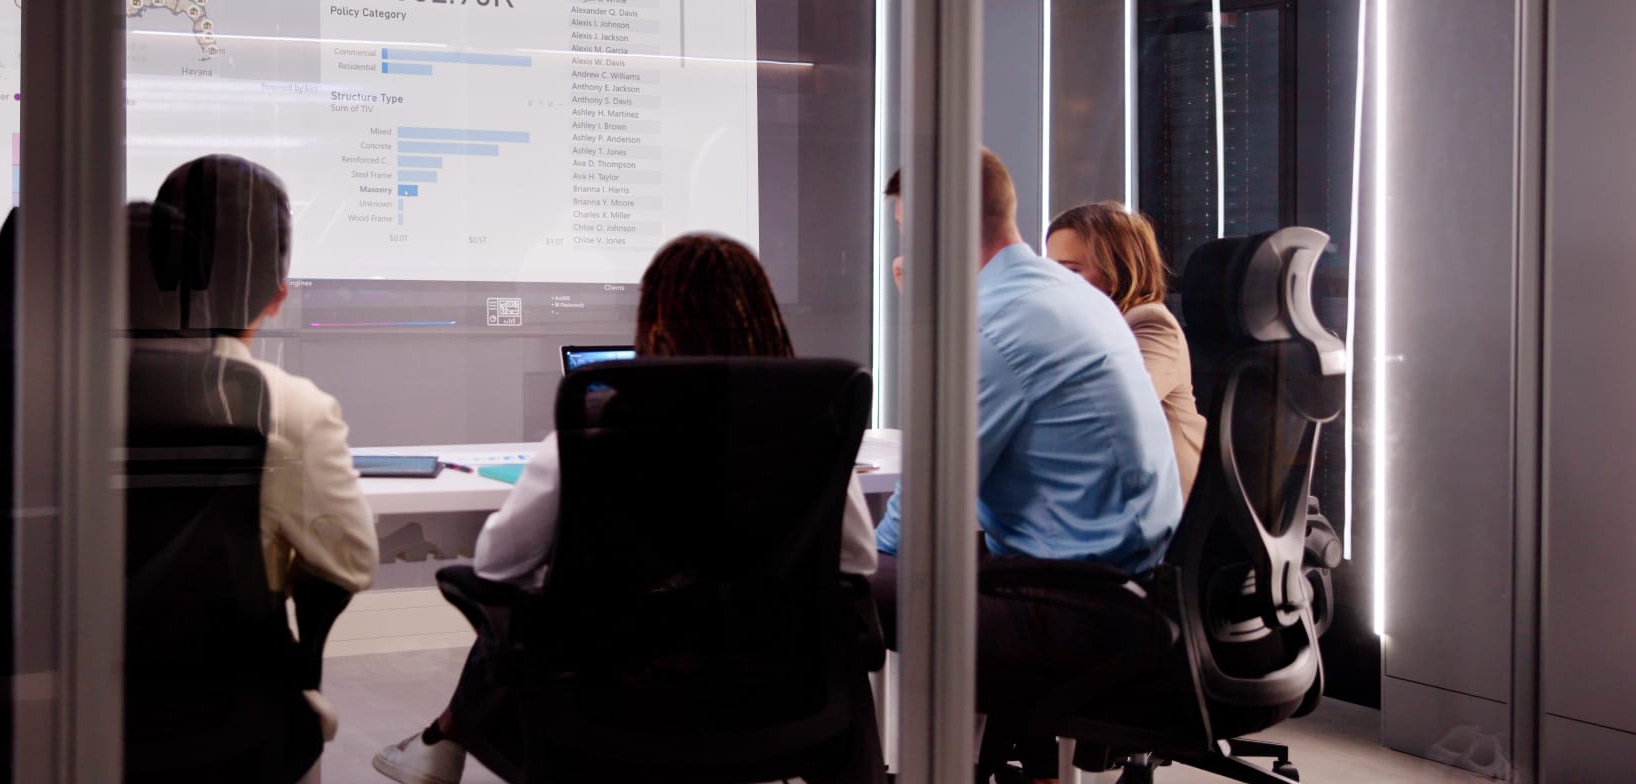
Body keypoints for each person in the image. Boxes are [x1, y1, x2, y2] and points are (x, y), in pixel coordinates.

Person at [374, 233, 878, 784]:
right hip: (773, 704)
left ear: (655, 322)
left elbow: (497, 564)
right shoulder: (813, 440)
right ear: (765, 319)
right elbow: (857, 560)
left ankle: (442, 739)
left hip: (615, 707)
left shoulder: (590, 439)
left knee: (530, 607)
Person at [875, 150, 1183, 784]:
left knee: (839, 584)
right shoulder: (1070, 295)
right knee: (897, 570)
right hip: (1133, 581)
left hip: (1083, 603)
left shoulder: (996, 327)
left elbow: (924, 508)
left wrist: (867, 557)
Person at [152, 155, 380, 601]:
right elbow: (352, 562)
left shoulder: (71, 394)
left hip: (86, 645)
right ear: (277, 296)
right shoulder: (293, 410)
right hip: (227, 646)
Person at [1046, 201, 1208, 498]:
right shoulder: (1077, 330)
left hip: (1165, 504)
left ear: (1117, 270)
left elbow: (1113, 411)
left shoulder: (1151, 323)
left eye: (1070, 270)